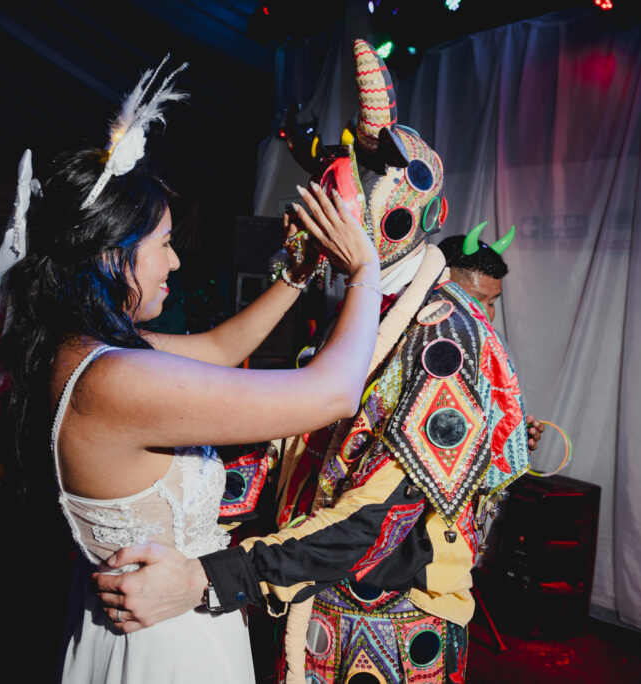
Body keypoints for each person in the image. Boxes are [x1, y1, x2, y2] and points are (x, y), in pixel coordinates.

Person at [94, 41, 533, 684]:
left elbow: (378, 519)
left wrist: (214, 576)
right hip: (314, 600)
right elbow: (293, 445)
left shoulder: (447, 337)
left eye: (336, 208)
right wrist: (177, 518)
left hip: (391, 623)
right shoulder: (364, 311)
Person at [0, 58, 381, 683]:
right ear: (112, 256)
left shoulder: (78, 349)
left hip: (138, 617)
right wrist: (365, 272)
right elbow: (332, 393)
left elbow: (221, 347)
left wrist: (297, 273)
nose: (175, 262)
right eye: (164, 243)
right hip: (165, 643)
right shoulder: (113, 380)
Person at [439, 223, 543, 451]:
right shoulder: (411, 339)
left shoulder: (497, 343)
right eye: (476, 300)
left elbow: (512, 409)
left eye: (493, 302)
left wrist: (520, 434)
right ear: (439, 287)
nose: (487, 314)